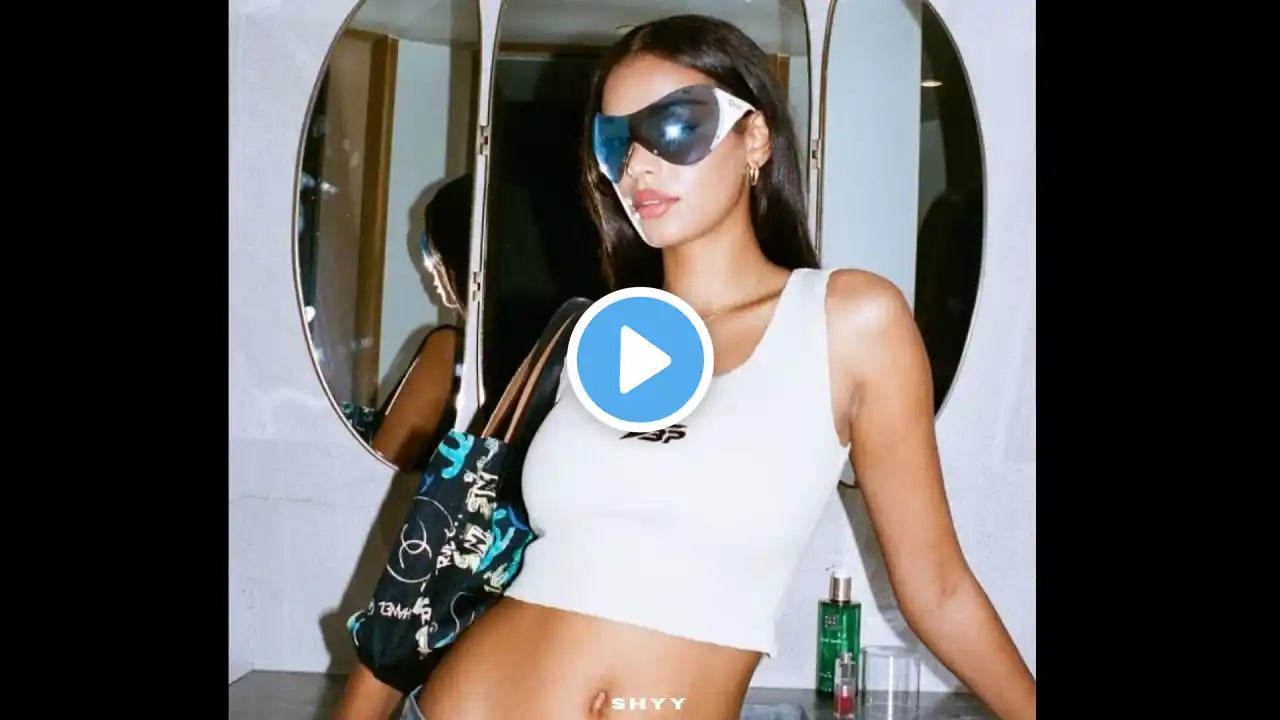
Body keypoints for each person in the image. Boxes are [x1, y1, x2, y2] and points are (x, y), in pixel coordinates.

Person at [342, 14, 1036, 720]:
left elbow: (938, 590)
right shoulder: (589, 337)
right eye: (615, 142)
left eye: (674, 126)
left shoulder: (848, 321)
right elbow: (431, 560)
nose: (638, 167)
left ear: (755, 137)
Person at [368, 175, 471, 472]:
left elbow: (379, 467)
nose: (428, 267)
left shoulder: (448, 351)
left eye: (432, 250)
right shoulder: (556, 346)